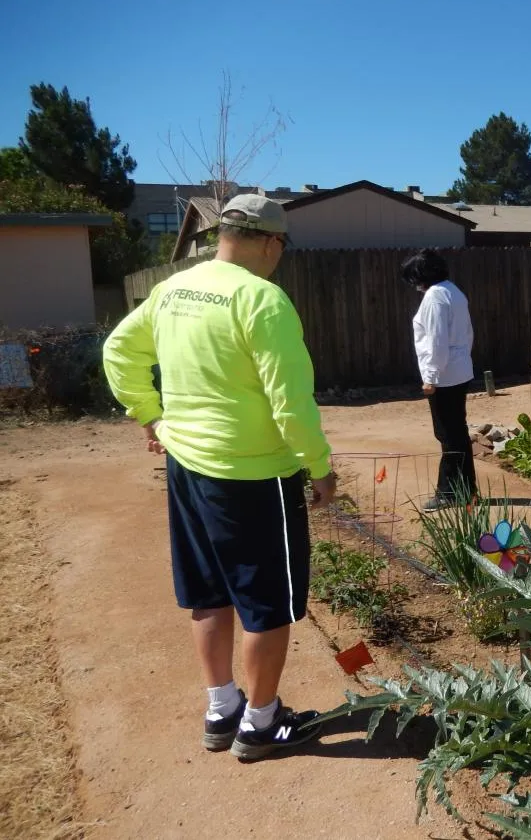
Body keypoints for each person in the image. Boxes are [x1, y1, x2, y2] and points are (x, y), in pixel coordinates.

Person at [103, 194, 334, 762]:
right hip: (254, 476)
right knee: (268, 602)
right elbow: (290, 401)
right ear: (271, 242)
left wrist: (150, 413)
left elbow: (117, 351)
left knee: (207, 592)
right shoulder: (262, 300)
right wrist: (320, 466)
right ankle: (260, 723)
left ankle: (221, 706)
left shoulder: (174, 289)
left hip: (186, 465)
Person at [401, 249, 477, 510]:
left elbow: (436, 341)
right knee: (458, 432)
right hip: (458, 370)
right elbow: (467, 334)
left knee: (447, 435)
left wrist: (430, 377)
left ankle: (448, 493)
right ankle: (467, 490)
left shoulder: (435, 297)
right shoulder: (453, 291)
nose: (414, 286)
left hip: (444, 375)